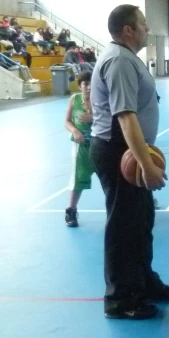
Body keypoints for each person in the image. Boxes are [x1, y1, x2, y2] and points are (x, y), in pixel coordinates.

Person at [89, 4, 169, 320]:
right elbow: (125, 116)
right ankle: (119, 299)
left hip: (126, 150)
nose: (147, 29)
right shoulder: (118, 61)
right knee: (123, 226)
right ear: (128, 30)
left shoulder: (127, 58)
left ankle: (143, 282)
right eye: (143, 23)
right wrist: (146, 165)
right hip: (118, 152)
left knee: (141, 221)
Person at [64, 71, 95, 227]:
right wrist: (75, 131)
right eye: (85, 84)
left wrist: (93, 117)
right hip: (81, 146)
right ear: (80, 85)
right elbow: (67, 121)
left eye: (91, 83)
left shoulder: (101, 99)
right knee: (78, 178)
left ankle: (117, 210)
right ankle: (71, 210)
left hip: (100, 145)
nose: (88, 87)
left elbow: (111, 121)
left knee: (110, 180)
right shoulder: (74, 99)